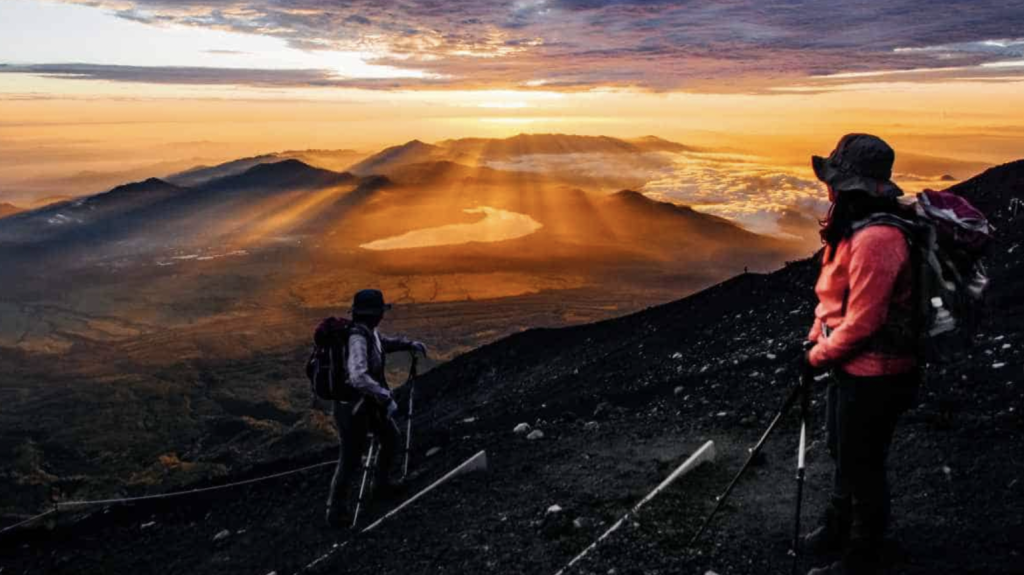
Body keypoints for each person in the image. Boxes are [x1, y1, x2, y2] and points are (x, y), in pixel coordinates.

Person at [802, 134, 920, 575]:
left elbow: (865, 321)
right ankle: (840, 525)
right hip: (850, 365)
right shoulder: (853, 227)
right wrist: (817, 337)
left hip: (879, 372)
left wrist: (816, 358)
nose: (828, 187)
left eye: (834, 179)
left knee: (863, 460)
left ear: (850, 185)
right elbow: (835, 300)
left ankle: (865, 553)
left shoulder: (879, 239)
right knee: (842, 447)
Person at [326, 289, 427, 528]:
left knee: (391, 438)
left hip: (368, 404)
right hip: (352, 408)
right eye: (380, 311)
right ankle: (336, 511)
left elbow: (383, 344)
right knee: (350, 458)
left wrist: (407, 344)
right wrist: (385, 396)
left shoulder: (367, 332)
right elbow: (358, 376)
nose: (382, 315)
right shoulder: (357, 338)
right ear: (372, 314)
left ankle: (380, 486)